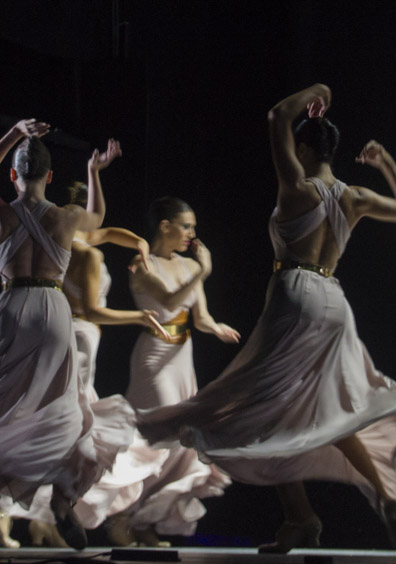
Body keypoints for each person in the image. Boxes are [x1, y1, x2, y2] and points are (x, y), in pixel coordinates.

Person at [138, 83, 396, 555]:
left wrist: (319, 91)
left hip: (295, 294)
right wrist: (386, 162)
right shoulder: (354, 196)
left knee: (262, 407)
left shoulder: (297, 186)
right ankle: (346, 508)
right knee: (324, 410)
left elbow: (274, 118)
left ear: (304, 148)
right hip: (334, 301)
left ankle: (303, 516)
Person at [0, 120, 135, 551]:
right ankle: (64, 502)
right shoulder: (66, 217)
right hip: (52, 312)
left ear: (14, 175)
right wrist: (94, 172)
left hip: (11, 309)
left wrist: (13, 132)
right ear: (49, 177)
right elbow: (100, 217)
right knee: (63, 407)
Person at [0, 181, 170, 548]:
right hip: (81, 336)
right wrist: (139, 316)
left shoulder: (57, 242)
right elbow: (93, 309)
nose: (100, 230)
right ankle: (41, 505)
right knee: (74, 426)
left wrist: (139, 243)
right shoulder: (86, 255)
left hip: (57, 331)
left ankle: (32, 516)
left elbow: (111, 232)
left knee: (48, 419)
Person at [109, 196, 238, 546]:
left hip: (183, 357)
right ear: (164, 226)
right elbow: (167, 301)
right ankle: (122, 513)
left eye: (193, 227)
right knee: (161, 437)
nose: (191, 234)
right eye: (186, 226)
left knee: (182, 444)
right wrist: (204, 270)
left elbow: (201, 317)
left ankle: (143, 521)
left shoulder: (186, 266)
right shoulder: (141, 264)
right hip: (154, 357)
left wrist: (217, 328)